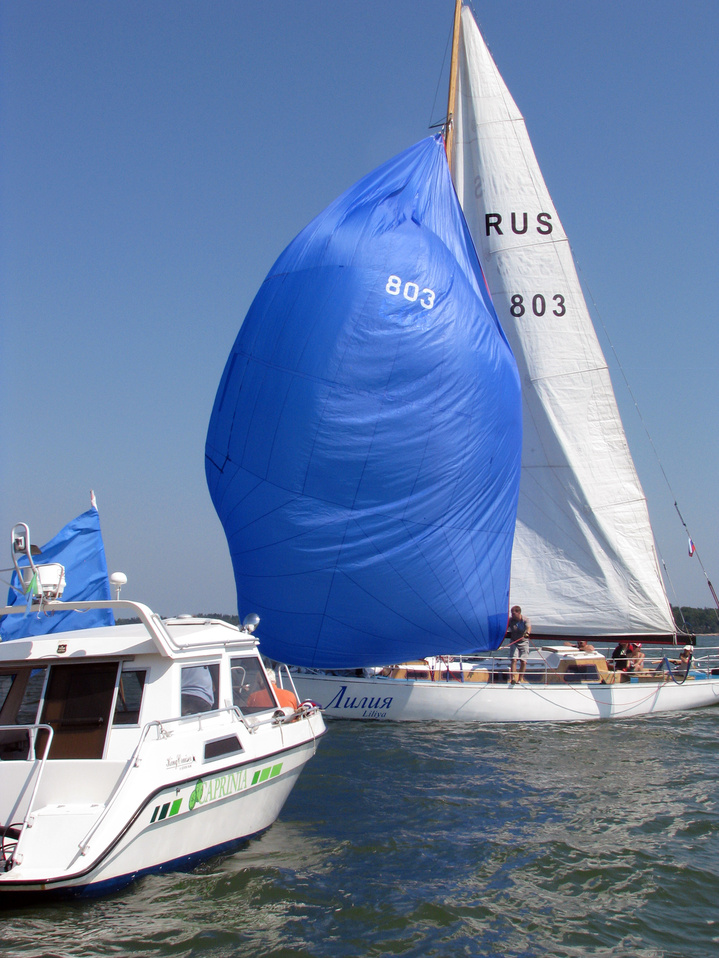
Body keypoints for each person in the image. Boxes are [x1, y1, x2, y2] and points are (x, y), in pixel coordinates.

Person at [508, 605, 531, 683]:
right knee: (514, 659)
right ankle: (513, 678)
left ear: (518, 613)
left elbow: (528, 627)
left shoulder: (525, 620)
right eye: (511, 613)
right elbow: (505, 627)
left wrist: (527, 633)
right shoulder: (511, 620)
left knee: (523, 661)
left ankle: (520, 678)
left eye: (513, 613)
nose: (512, 615)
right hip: (514, 641)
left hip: (524, 642)